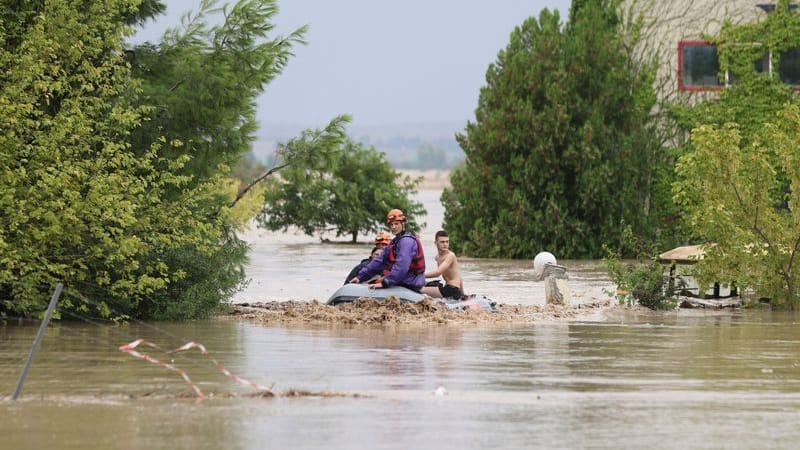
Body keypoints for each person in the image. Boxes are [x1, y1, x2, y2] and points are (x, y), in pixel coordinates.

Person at [349, 208, 426, 292]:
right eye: (391, 225)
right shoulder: (394, 242)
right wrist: (360, 277)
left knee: (379, 282)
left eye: (396, 224)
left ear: (403, 223)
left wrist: (385, 283)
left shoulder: (407, 241)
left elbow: (401, 267)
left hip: (411, 282)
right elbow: (379, 261)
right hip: (402, 280)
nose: (393, 227)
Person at [421, 230, 465, 299]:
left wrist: (420, 275)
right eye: (442, 242)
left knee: (420, 289)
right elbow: (458, 275)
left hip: (452, 290)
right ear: (436, 243)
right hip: (446, 288)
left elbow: (438, 273)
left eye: (447, 242)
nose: (445, 244)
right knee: (425, 283)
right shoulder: (437, 257)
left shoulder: (450, 256)